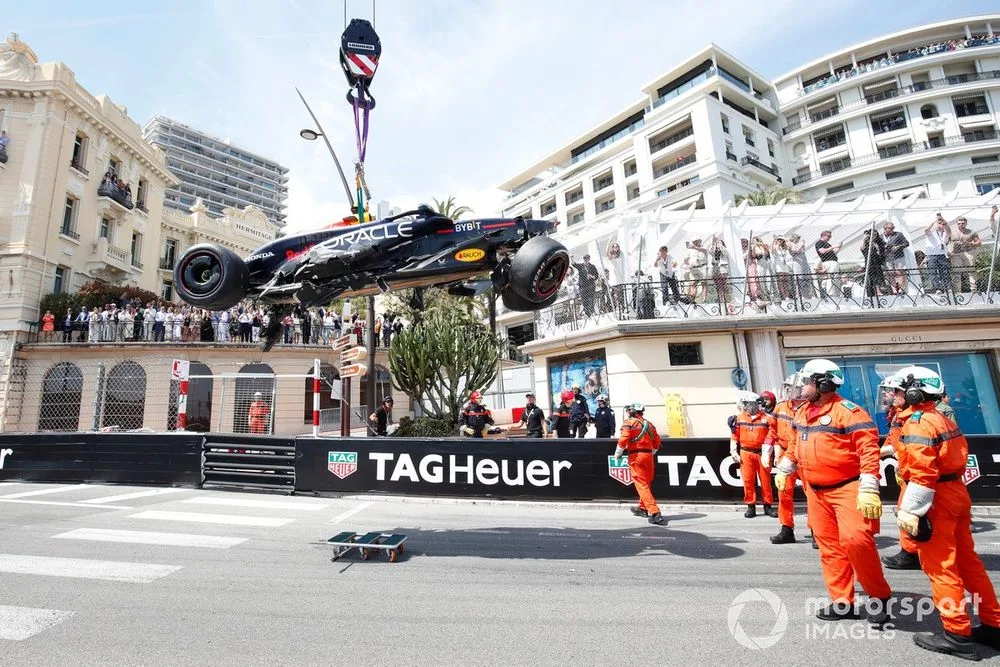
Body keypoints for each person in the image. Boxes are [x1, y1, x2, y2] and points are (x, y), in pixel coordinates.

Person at [890, 366, 1000, 659]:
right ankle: (993, 624)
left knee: (941, 568)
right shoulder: (939, 416)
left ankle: (956, 634)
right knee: (968, 564)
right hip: (955, 493)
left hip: (934, 496)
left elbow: (923, 472)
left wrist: (912, 511)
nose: (896, 395)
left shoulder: (917, 422)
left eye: (901, 389)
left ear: (915, 391)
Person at [774, 359, 891, 626]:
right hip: (816, 491)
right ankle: (842, 601)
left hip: (846, 488)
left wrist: (869, 487)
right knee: (829, 548)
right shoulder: (803, 411)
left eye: (808, 382)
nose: (803, 387)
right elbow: (794, 443)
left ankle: (878, 597)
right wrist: (786, 467)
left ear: (824, 383)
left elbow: (869, 451)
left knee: (856, 542)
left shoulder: (849, 412)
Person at [877, 374, 920, 571]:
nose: (890, 395)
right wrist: (884, 452)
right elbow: (892, 440)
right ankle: (910, 551)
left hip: (917, 477)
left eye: (895, 391)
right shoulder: (899, 414)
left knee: (910, 513)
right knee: (905, 512)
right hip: (907, 473)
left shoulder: (917, 417)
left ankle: (913, 553)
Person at [766, 377, 810, 545]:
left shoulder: (810, 408)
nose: (789, 391)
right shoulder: (781, 407)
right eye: (787, 387)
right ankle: (786, 529)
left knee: (812, 495)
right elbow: (772, 430)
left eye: (792, 388)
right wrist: (767, 450)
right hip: (785, 454)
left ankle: (816, 530)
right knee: (784, 493)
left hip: (804, 456)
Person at [614, 402, 664, 525]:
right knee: (646, 483)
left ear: (632, 412)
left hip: (636, 456)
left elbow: (624, 438)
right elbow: (657, 442)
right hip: (648, 456)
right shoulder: (650, 425)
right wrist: (649, 453)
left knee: (641, 484)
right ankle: (642, 508)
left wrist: (618, 452)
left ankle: (654, 512)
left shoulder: (629, 423)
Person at [730, 391, 777, 518]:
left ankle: (768, 506)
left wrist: (773, 453)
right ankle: (751, 506)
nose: (750, 407)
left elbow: (774, 435)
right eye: (748, 404)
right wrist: (733, 450)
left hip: (763, 453)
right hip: (746, 452)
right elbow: (735, 435)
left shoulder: (767, 418)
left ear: (758, 404)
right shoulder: (739, 418)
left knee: (766, 481)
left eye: (753, 404)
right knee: (748, 480)